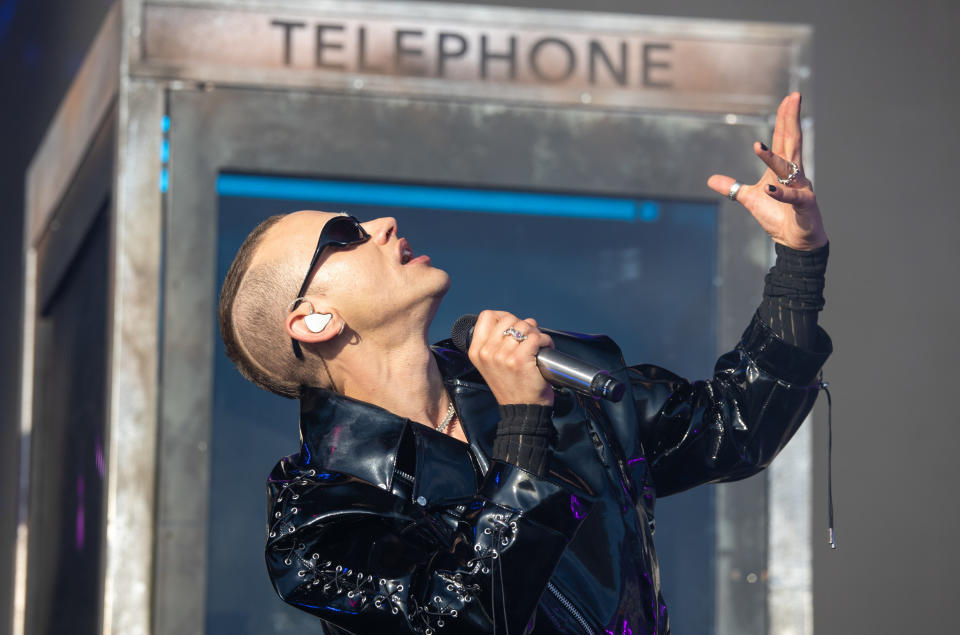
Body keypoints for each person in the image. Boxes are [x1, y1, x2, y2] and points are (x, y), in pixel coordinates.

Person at [217, 92, 831, 634]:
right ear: (313, 320)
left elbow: (733, 430)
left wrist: (798, 261)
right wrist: (522, 431)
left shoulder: (548, 373)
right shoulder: (319, 515)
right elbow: (462, 618)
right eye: (345, 236)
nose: (382, 223)